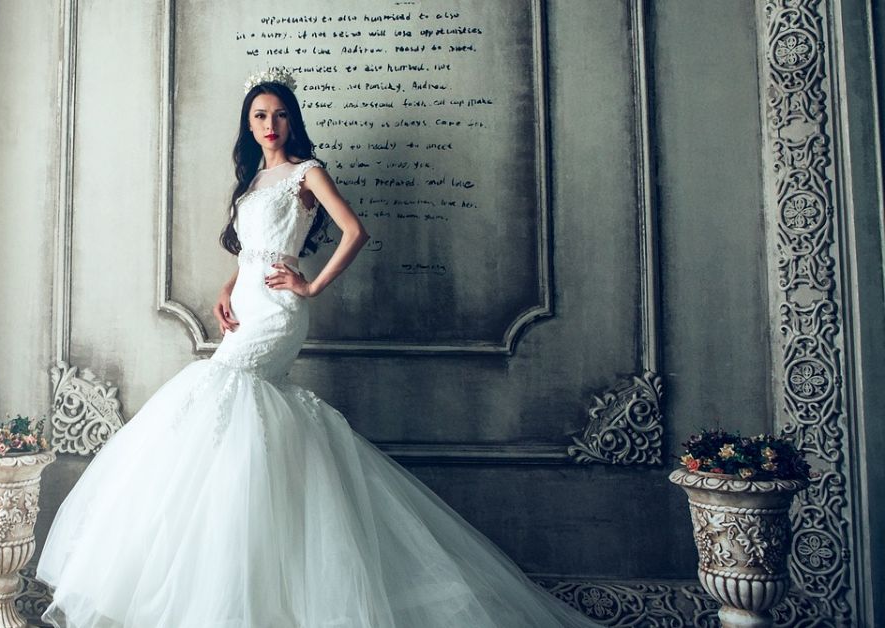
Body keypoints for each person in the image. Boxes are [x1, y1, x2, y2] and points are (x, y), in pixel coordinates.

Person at [36, 68, 601, 628]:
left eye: (280, 114)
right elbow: (249, 254)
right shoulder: (252, 182)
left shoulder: (307, 173)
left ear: (292, 119)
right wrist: (226, 288)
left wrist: (309, 285)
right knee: (235, 415)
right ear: (249, 124)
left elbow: (354, 231)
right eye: (260, 115)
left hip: (279, 314)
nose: (271, 124)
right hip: (246, 305)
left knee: (221, 395)